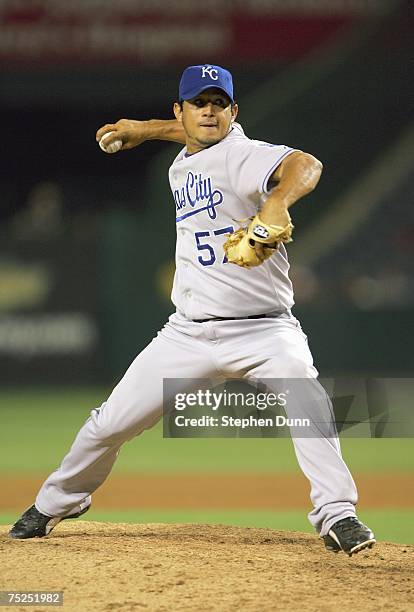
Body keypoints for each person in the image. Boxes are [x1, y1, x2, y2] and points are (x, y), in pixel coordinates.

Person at [10, 64, 375, 556]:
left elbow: (305, 164)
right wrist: (144, 130)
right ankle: (57, 502)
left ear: (234, 112)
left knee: (308, 401)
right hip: (187, 334)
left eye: (219, 103)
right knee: (108, 424)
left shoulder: (246, 155)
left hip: (264, 332)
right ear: (180, 112)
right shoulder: (182, 161)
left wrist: (278, 203)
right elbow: (194, 137)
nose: (209, 111)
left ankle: (337, 514)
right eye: (199, 103)